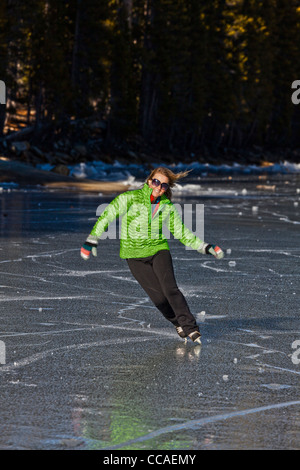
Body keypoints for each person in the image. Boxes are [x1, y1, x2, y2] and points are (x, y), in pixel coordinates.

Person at [80, 167, 224, 344]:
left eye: (163, 185)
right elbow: (107, 216)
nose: (159, 187)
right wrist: (92, 239)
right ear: (149, 181)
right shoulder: (129, 199)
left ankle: (191, 328)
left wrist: (204, 246)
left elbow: (181, 232)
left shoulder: (167, 206)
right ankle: (176, 322)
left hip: (158, 250)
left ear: (167, 188)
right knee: (158, 298)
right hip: (133, 255)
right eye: (156, 182)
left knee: (170, 289)